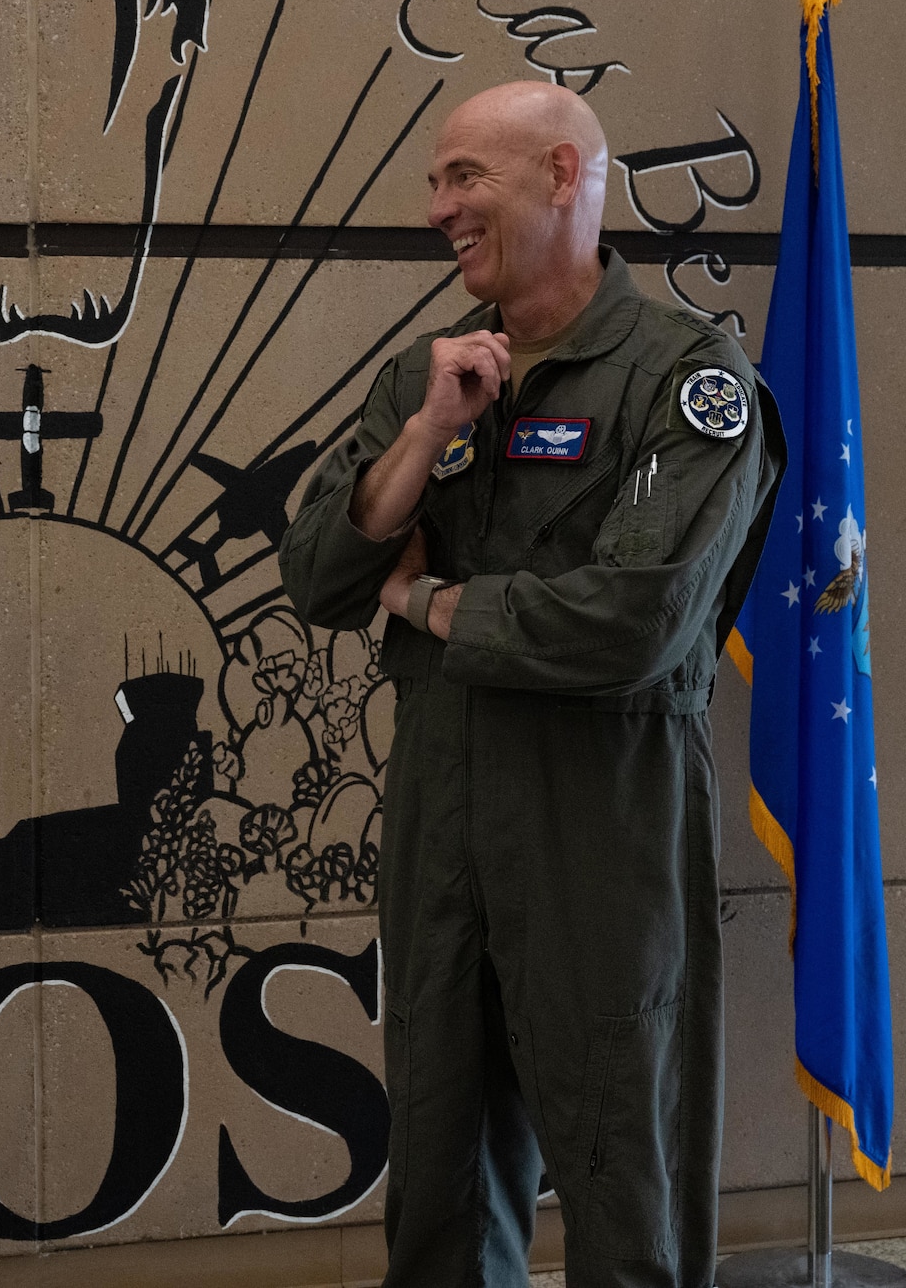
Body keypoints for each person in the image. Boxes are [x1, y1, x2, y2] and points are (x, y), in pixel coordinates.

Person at [279, 83, 783, 1287]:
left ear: (560, 176)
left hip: (600, 827)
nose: (436, 208)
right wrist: (421, 436)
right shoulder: (427, 376)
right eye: (434, 182)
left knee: (624, 1187)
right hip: (442, 818)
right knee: (438, 1183)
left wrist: (422, 602)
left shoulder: (684, 379)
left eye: (463, 177)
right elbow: (314, 572)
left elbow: (632, 621)